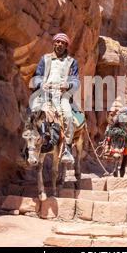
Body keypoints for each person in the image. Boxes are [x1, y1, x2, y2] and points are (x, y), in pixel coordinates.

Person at [29, 33, 79, 164]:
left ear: (66, 45)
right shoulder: (45, 59)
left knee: (67, 116)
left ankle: (67, 149)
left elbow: (75, 81)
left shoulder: (71, 62)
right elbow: (36, 76)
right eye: (57, 42)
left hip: (62, 95)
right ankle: (28, 150)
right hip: (44, 93)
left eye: (63, 43)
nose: (60, 44)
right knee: (33, 115)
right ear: (54, 43)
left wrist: (67, 85)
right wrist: (41, 83)